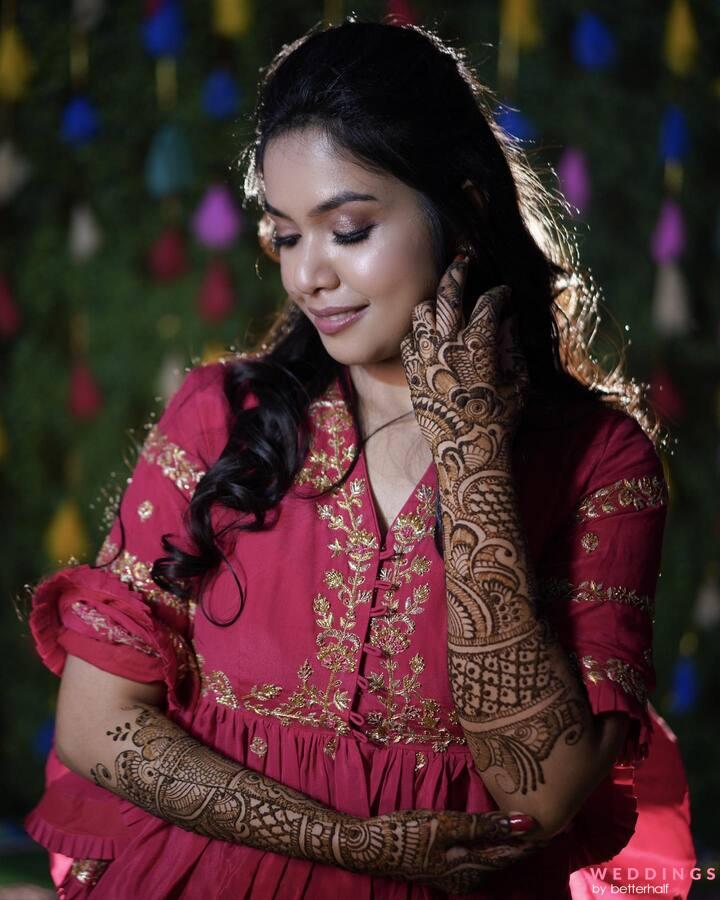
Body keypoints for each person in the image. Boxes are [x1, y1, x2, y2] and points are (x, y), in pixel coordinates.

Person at [22, 17, 694, 900]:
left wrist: (475, 456)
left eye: (347, 230)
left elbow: (544, 791)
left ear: (464, 208)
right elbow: (96, 725)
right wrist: (350, 843)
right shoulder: (225, 421)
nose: (308, 278)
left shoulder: (601, 460)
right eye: (285, 236)